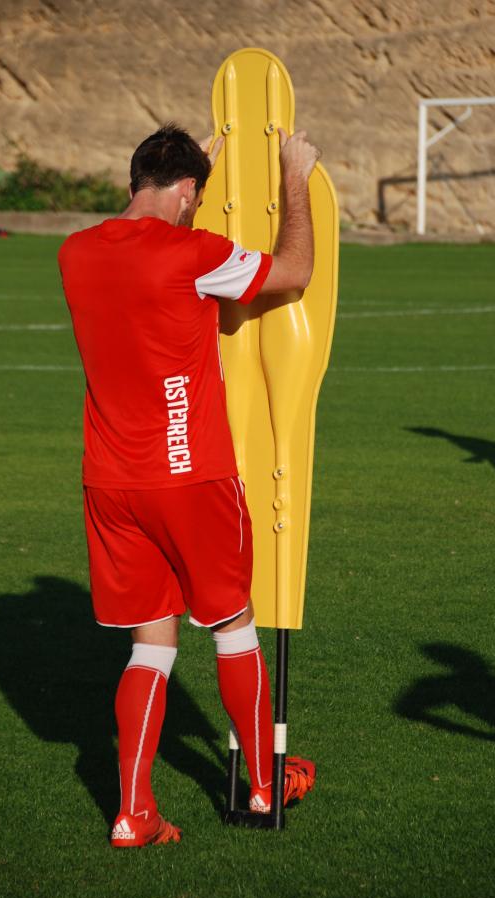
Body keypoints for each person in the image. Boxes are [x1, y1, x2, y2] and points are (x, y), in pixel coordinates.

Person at [58, 123, 319, 847]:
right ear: (185, 194)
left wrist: (187, 172)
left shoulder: (75, 252)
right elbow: (292, 271)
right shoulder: (192, 252)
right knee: (234, 629)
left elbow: (141, 238)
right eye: (194, 199)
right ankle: (265, 789)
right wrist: (293, 174)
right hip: (191, 475)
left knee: (151, 647)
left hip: (111, 481)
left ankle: (132, 812)